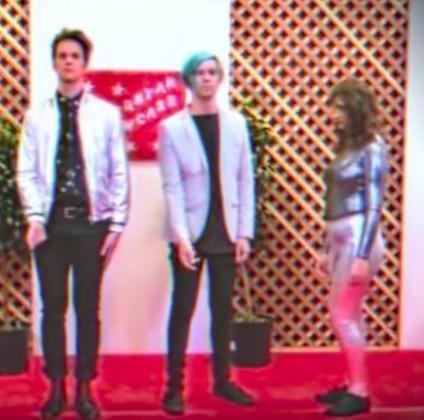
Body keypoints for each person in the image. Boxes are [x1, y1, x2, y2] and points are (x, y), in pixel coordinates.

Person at [17, 28, 130, 419]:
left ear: (84, 63)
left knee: (87, 309)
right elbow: (26, 171)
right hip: (50, 227)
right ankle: (55, 387)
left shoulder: (106, 114)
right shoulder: (37, 115)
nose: (68, 61)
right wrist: (34, 217)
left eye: (74, 56)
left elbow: (118, 170)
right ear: (54, 62)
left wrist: (116, 224)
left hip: (90, 226)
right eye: (62, 55)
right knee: (52, 310)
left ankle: (84, 388)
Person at [157, 51, 256, 415]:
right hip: (191, 234)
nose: (207, 78)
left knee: (222, 311)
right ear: (189, 79)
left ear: (220, 77)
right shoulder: (172, 128)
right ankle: (174, 387)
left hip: (227, 232)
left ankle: (223, 381)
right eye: (200, 72)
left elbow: (245, 180)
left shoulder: (236, 124)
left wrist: (244, 233)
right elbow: (172, 187)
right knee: (182, 310)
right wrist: (181, 238)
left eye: (213, 72)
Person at [314, 78, 387, 417]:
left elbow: (374, 204)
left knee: (342, 313)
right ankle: (353, 381)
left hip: (359, 238)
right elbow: (332, 200)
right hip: (341, 238)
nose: (333, 114)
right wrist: (325, 248)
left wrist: (361, 255)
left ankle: (359, 391)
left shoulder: (373, 147)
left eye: (340, 107)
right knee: (349, 314)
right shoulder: (346, 147)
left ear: (356, 109)